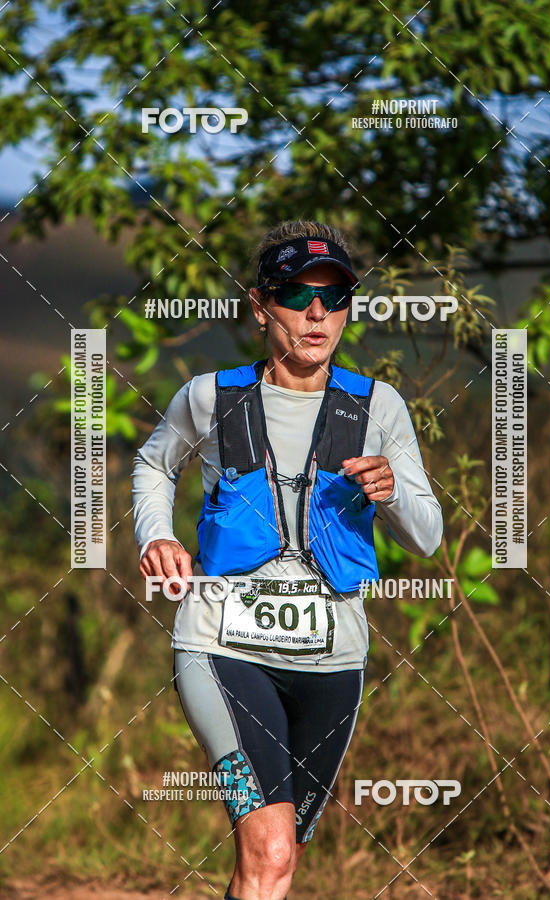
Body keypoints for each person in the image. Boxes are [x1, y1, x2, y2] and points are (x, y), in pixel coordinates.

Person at [132, 220, 443, 900]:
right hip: (220, 650)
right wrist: (156, 536)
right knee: (267, 846)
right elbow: (155, 465)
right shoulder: (210, 396)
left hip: (333, 664)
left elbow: (427, 537)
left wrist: (390, 492)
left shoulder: (376, 406)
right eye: (298, 294)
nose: (316, 313)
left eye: (334, 298)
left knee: (280, 859)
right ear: (258, 303)